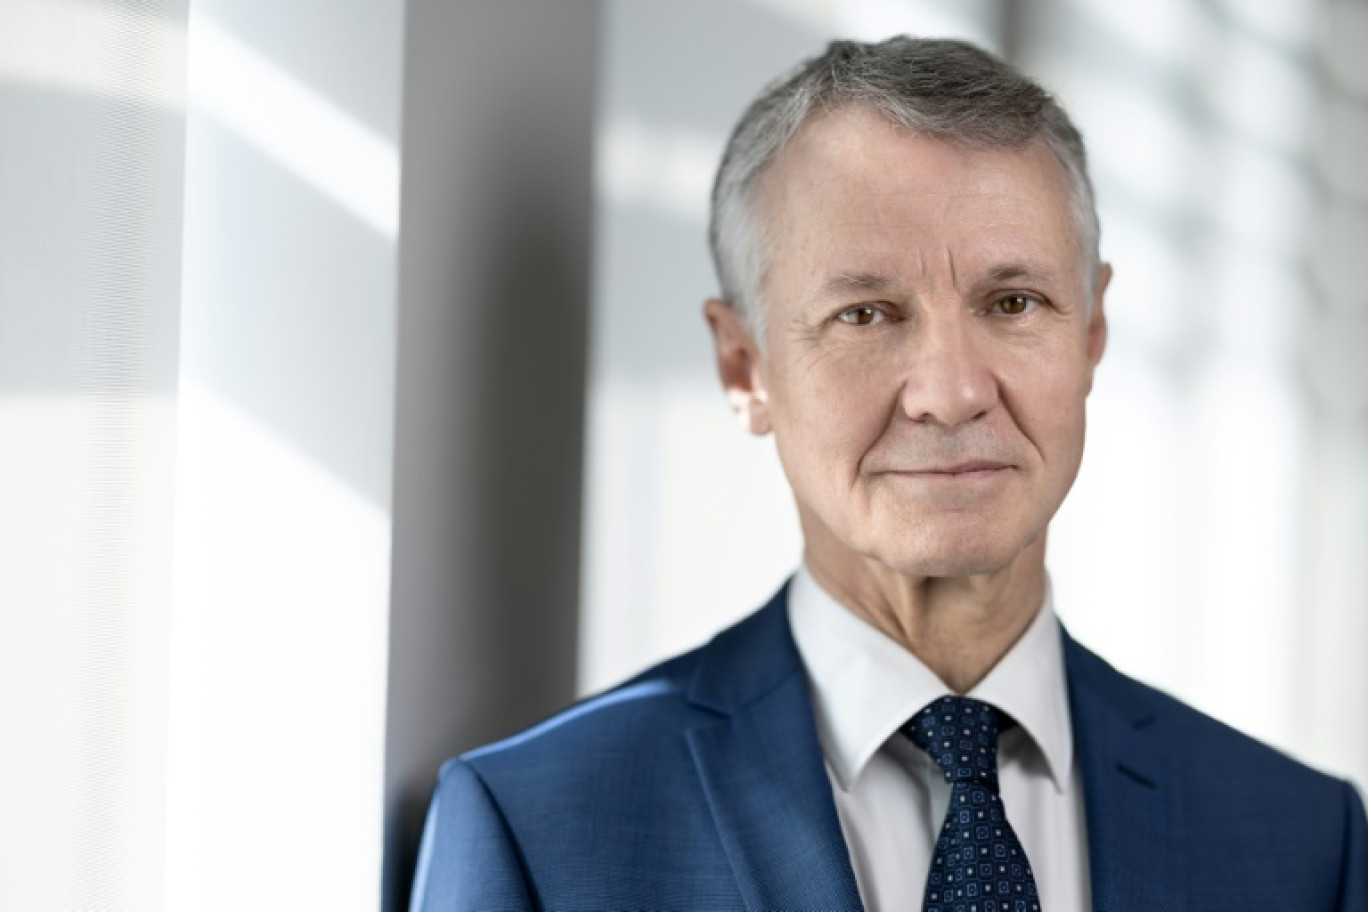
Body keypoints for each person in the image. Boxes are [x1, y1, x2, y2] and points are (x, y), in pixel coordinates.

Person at [410, 37, 1367, 911]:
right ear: (745, 369)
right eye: (867, 314)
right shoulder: (541, 829)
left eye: (1014, 300)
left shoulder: (1303, 844)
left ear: (1092, 332)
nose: (951, 394)